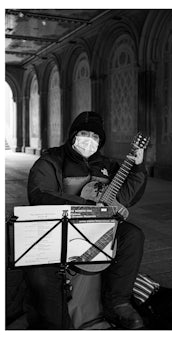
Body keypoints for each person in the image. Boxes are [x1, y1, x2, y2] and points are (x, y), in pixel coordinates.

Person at [25, 111, 147, 330]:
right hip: (61, 227)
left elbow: (126, 197)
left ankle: (117, 303)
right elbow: (40, 192)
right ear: (73, 135)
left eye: (95, 137)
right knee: (41, 271)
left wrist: (137, 167)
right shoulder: (51, 159)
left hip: (98, 227)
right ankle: (54, 323)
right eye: (84, 133)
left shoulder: (106, 164)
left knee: (132, 235)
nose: (89, 140)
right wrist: (88, 207)